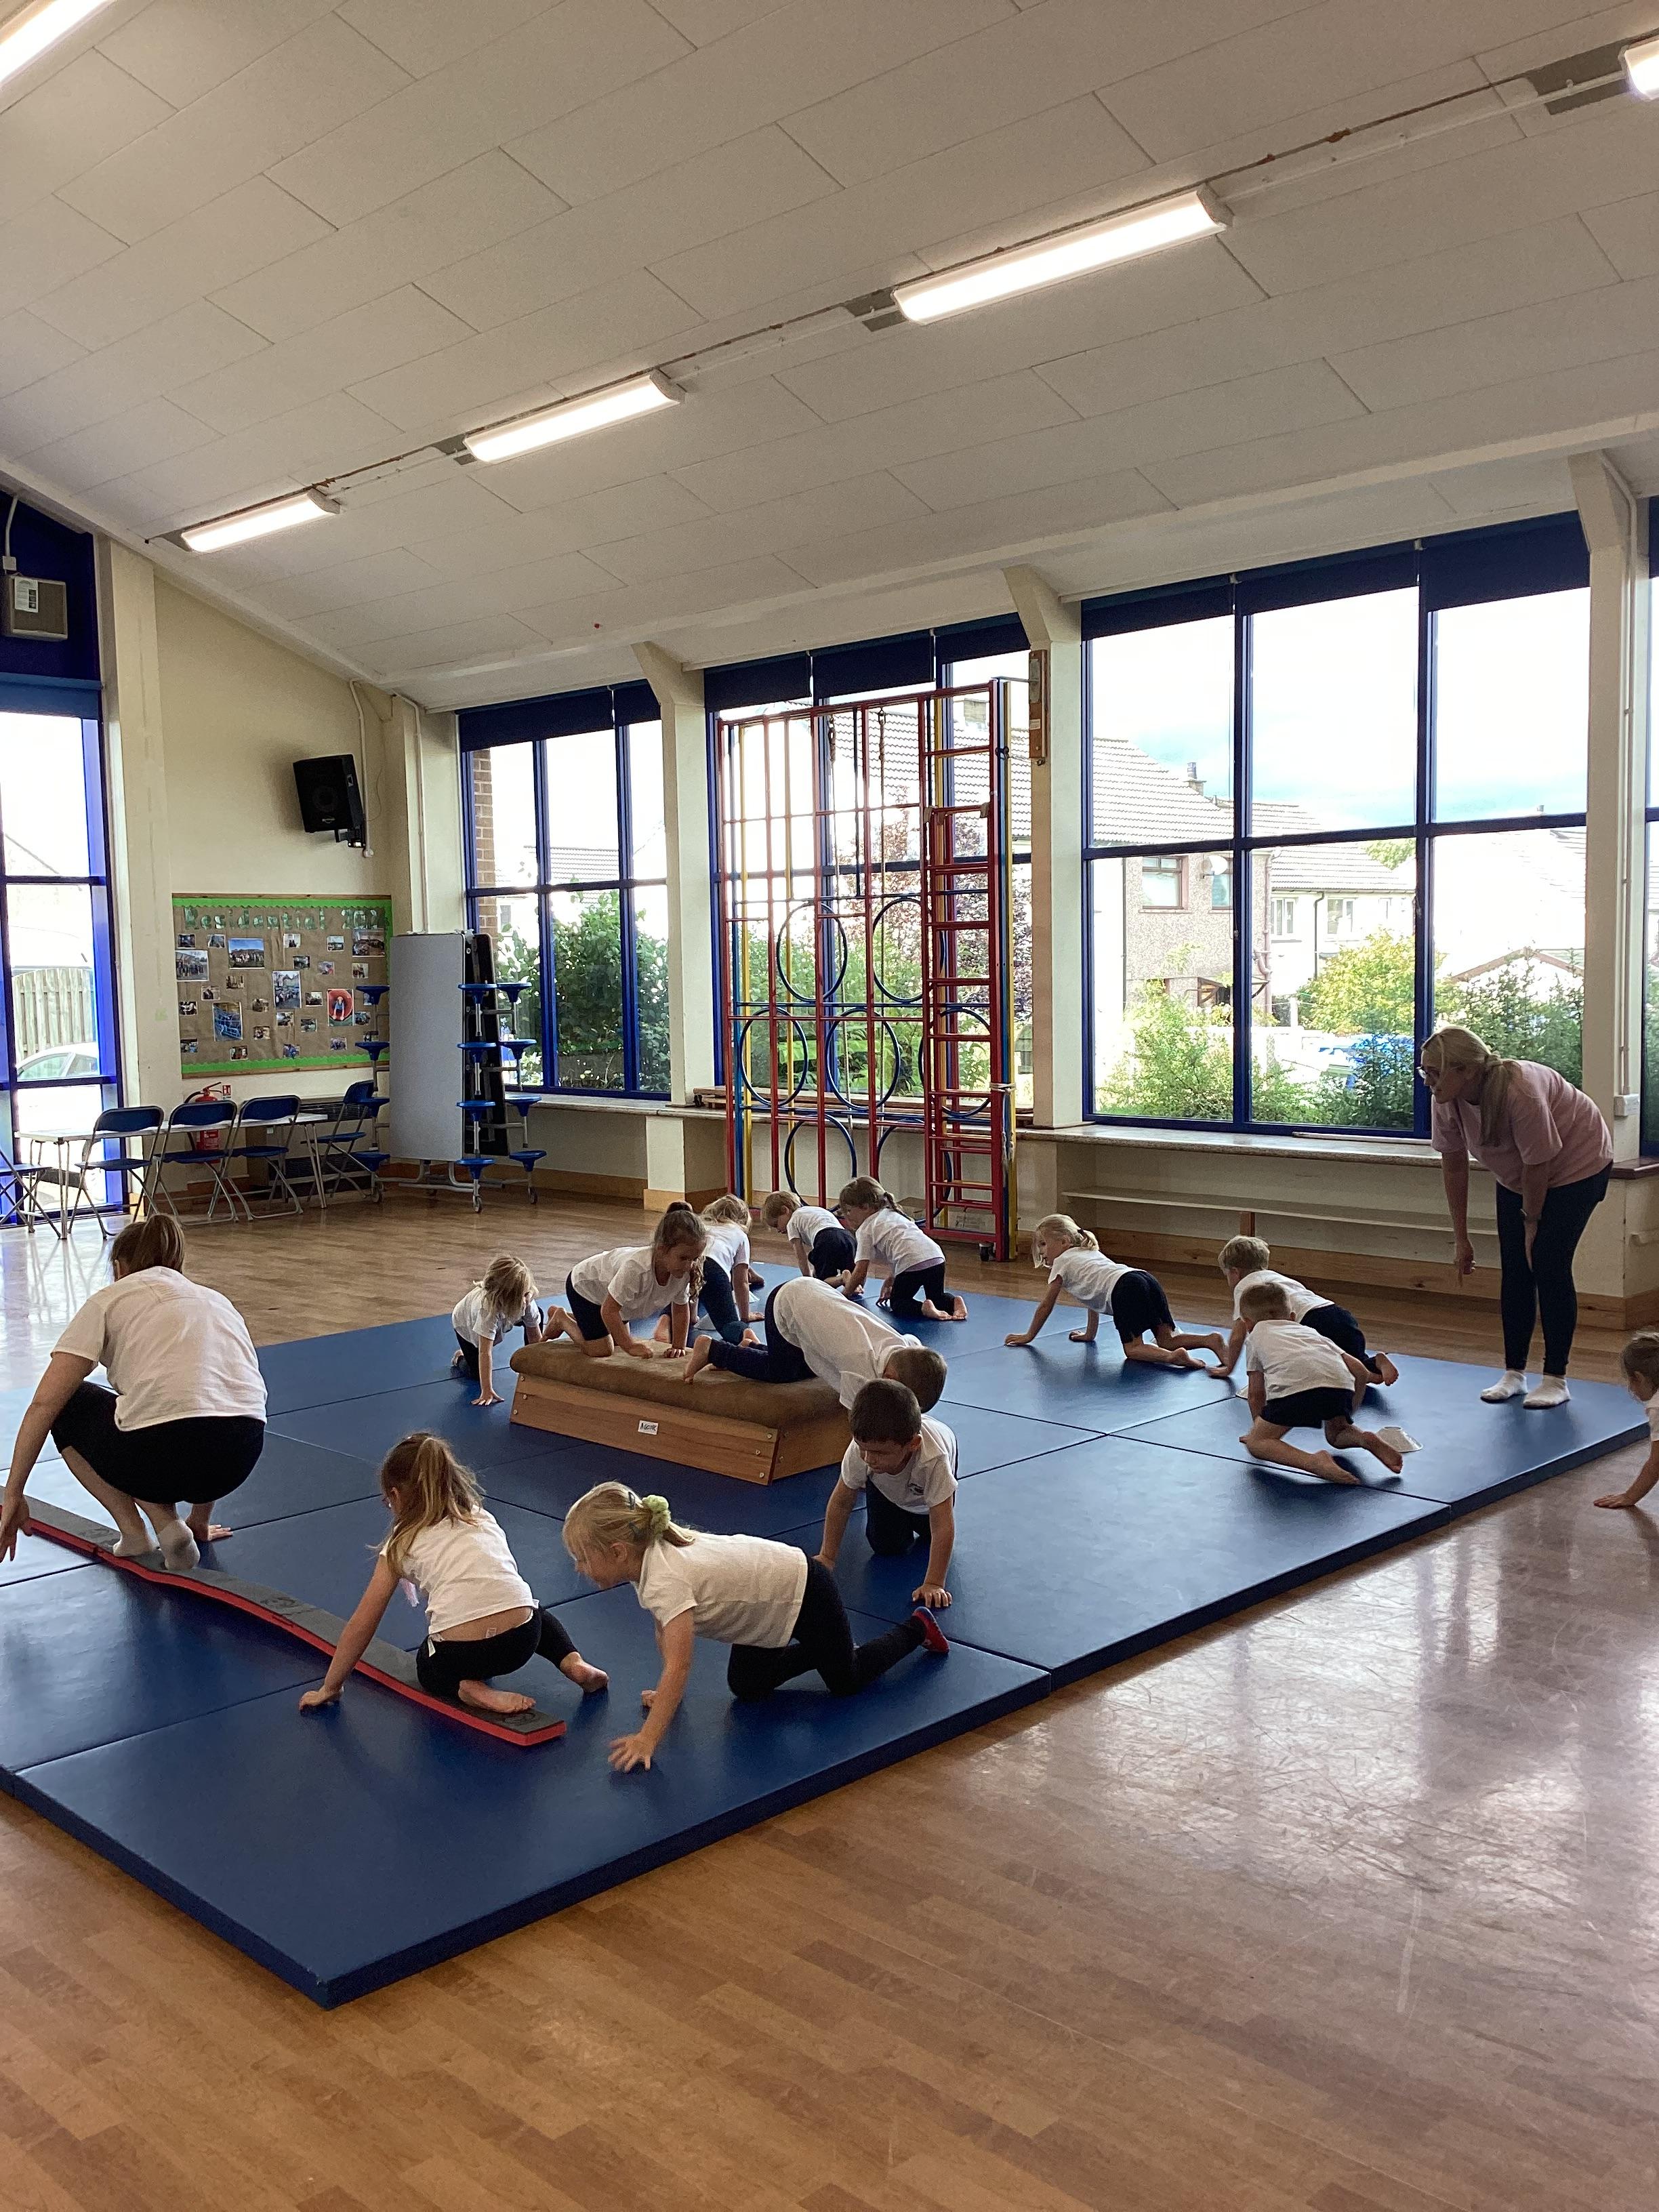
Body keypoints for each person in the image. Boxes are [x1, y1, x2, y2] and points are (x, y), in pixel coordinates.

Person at [562, 1481, 948, 1771]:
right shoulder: (647, 1561)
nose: (579, 1568)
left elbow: (680, 1665)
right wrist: (665, 1694)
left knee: (847, 1679)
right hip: (765, 1611)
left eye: (582, 1558)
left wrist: (648, 1738)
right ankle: (825, 1647)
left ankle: (917, 1627)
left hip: (804, 1589)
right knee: (748, 1686)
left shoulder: (667, 1579)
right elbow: (664, 1629)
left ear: (618, 1552)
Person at [0, 1215, 266, 1572]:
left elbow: (44, 1404)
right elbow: (217, 1397)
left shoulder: (108, 1300)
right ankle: (182, 1527)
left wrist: (14, 1493)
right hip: (238, 1460)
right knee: (198, 1402)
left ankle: (137, 1531)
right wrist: (200, 1520)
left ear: (118, 1268)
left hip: (155, 1458)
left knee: (71, 1403)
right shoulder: (217, 1301)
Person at [298, 1433, 607, 1716]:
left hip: (461, 1655)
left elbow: (364, 1621)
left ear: (396, 1496)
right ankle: (574, 1663)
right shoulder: (479, 1516)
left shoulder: (399, 1545)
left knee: (427, 1664)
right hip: (524, 1639)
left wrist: (331, 1686)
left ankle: (469, 1689)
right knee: (537, 1612)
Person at [1422, 1026, 1613, 1408]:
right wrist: (1461, 1238)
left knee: (1547, 1262)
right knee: (1515, 1269)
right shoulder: (1446, 1099)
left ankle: (1556, 1378)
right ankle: (1514, 1373)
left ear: (1467, 1071)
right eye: (1424, 1071)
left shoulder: (1520, 1091)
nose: (1429, 1081)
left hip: (1578, 1165)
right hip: (1518, 1175)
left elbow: (1538, 1165)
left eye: (1436, 1072)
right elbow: (1454, 1166)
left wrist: (1532, 1223)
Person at [679, 1273, 947, 1409]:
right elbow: (858, 1423)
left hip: (814, 1292)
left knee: (810, 1368)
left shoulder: (907, 1348)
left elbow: (919, 1353)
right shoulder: (860, 1368)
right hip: (786, 1304)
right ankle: (713, 1350)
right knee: (782, 1371)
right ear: (888, 1377)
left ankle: (750, 1348)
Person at [1237, 1282, 1411, 1485]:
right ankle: (1364, 1438)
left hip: (1297, 1391)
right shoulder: (1311, 1332)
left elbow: (1256, 1394)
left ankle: (1313, 1462)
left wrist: (1258, 1429)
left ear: (1247, 1324)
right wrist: (1350, 1410)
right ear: (1292, 1316)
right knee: (1337, 1434)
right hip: (1340, 1386)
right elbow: (1360, 1371)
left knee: (1258, 1443)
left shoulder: (1256, 1336)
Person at [1005, 1213, 1226, 1370]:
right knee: (1166, 1338)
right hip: (1144, 1278)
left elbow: (1047, 1305)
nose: (1041, 1251)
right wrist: (1090, 1334)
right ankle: (1210, 1340)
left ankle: (1173, 1358)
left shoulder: (1062, 1262)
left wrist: (1029, 1336)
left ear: (1064, 1242)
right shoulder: (1088, 1252)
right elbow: (1092, 1295)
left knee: (1134, 1350)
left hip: (1125, 1289)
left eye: (1043, 1244)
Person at [816, 1380, 956, 1607]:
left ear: (913, 1444)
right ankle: (899, 1515)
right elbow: (842, 1502)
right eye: (863, 1448)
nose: (869, 1459)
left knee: (930, 1536)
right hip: (887, 1489)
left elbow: (942, 1525)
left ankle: (913, 1518)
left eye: (880, 1453)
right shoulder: (862, 1453)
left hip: (924, 1500)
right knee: (886, 1547)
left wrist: (934, 1583)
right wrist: (827, 1556)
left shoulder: (934, 1460)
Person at [1214, 1235, 1397, 1386]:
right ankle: (1376, 1363)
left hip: (1313, 1322)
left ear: (1235, 1272)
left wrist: (1229, 1367)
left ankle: (1368, 1373)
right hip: (1338, 1314)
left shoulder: (1246, 1287)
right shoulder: (1278, 1278)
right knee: (1353, 1360)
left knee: (1337, 1371)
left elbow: (1238, 1335)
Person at [544, 1203, 708, 1361]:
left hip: (616, 1302)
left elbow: (680, 1310)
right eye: (684, 1258)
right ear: (662, 1249)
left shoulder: (682, 1272)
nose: (689, 1265)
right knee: (603, 1349)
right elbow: (609, 1311)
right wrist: (630, 1346)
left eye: (694, 1259)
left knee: (617, 1340)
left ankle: (578, 1318)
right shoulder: (637, 1269)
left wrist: (678, 1346)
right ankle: (562, 1319)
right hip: (586, 1289)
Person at [835, 1177, 966, 1322]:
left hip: (912, 1263)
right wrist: (892, 1279)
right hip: (936, 1257)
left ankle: (924, 1308)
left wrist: (844, 1295)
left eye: (849, 1211)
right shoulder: (894, 1214)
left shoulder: (865, 1229)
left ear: (865, 1207)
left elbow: (861, 1270)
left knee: (898, 1302)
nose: (847, 1216)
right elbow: (905, 1246)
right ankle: (954, 1302)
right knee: (937, 1297)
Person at [655, 1195, 758, 1347]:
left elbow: (696, 1272)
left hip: (686, 1262)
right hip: (715, 1270)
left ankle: (665, 1321)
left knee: (678, 1297)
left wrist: (693, 1316)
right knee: (727, 1323)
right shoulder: (740, 1235)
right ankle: (745, 1334)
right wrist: (744, 1317)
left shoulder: (700, 1225)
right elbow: (741, 1282)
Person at [451, 1253, 546, 1408]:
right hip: (465, 1324)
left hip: (507, 1313)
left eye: (526, 1295)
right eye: (521, 1297)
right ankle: (460, 1358)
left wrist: (538, 1370)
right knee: (475, 1374)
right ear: (506, 1299)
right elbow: (485, 1352)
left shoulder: (526, 1300)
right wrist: (487, 1390)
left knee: (537, 1315)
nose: (525, 1301)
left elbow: (535, 1339)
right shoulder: (487, 1311)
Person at [1594, 1330, 1659, 1511]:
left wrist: (1630, 1496)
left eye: (1630, 1381)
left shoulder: (1658, 1407)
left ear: (1639, 1378)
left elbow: (1657, 1463)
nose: (1631, 1388)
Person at [760, 1190, 856, 1282]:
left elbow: (801, 1256)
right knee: (851, 1274)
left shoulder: (792, 1222)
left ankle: (841, 1279)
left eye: (776, 1224)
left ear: (785, 1210)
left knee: (822, 1282)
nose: (778, 1230)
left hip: (826, 1239)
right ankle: (854, 1285)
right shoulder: (814, 1210)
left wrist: (808, 1279)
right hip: (848, 1237)